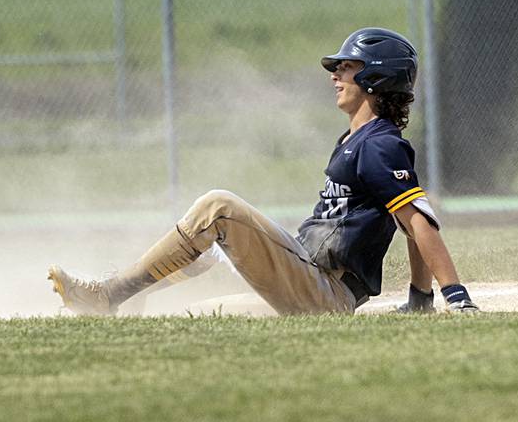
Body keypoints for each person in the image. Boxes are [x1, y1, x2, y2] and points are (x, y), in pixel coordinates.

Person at [47, 27, 479, 315]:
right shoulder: (357, 140)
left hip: (324, 292)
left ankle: (111, 296)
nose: (335, 75)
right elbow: (410, 222)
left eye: (347, 67)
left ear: (378, 78)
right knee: (213, 248)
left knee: (217, 208)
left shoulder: (380, 145)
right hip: (313, 277)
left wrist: (453, 297)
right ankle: (127, 291)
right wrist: (419, 300)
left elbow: (418, 223)